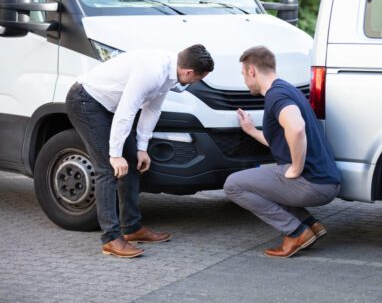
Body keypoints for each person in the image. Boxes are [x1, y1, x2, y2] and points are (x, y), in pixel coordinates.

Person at [66, 44, 214, 258]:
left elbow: (152, 109)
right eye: (198, 78)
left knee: (132, 163)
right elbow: (127, 111)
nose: (196, 82)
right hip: (86, 101)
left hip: (110, 108)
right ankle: (110, 239)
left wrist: (142, 148)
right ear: (189, 72)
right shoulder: (152, 71)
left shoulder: (172, 73)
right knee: (108, 168)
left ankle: (132, 228)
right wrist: (115, 154)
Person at [224, 46, 341, 258]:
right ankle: (310, 225)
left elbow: (296, 128)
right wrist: (251, 131)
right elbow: (282, 140)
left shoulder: (275, 96)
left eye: (243, 74)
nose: (244, 81)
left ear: (252, 71)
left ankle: (296, 232)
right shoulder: (287, 89)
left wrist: (296, 168)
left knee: (233, 185)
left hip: (311, 183)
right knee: (262, 182)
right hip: (326, 181)